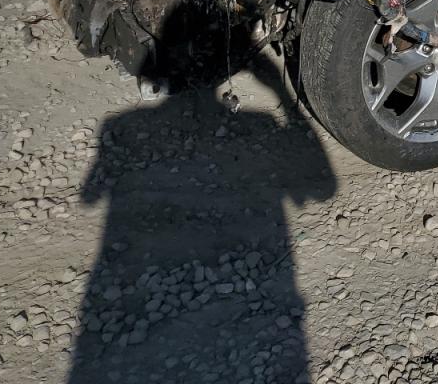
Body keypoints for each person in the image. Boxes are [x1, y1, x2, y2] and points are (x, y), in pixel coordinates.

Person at [68, 59, 336, 383]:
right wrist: (283, 95)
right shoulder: (262, 123)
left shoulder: (122, 124)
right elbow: (322, 189)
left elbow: (88, 196)